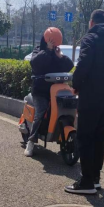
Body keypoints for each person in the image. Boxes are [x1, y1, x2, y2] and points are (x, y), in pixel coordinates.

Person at [65, 9, 104, 195]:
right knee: (98, 139)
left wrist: (76, 85)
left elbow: (83, 64)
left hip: (91, 97)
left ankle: (86, 182)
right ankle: (95, 178)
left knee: (85, 138)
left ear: (92, 22)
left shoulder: (90, 38)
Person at [24, 27, 74, 157]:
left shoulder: (57, 53)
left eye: (55, 42)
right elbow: (34, 63)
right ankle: (31, 142)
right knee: (41, 112)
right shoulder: (38, 50)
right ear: (46, 40)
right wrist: (47, 50)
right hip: (41, 91)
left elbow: (69, 66)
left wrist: (60, 57)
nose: (54, 44)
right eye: (51, 41)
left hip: (56, 91)